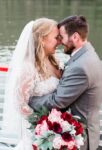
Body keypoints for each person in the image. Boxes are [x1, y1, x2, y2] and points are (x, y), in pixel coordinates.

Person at [29, 15, 102, 150]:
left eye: (61, 37)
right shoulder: (88, 55)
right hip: (84, 131)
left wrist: (30, 101)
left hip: (81, 138)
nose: (59, 41)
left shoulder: (81, 66)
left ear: (75, 37)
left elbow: (58, 102)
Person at [3, 18, 62, 150]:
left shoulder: (54, 61)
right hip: (37, 131)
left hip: (56, 130)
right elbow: (20, 104)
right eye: (56, 37)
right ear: (42, 39)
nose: (59, 41)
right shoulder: (28, 68)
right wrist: (44, 122)